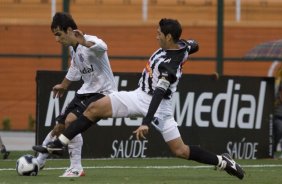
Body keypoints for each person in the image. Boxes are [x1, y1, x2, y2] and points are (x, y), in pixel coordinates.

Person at [36, 18, 245, 180]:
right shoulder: (181, 46)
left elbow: (158, 95)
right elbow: (193, 44)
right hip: (138, 95)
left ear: (169, 37)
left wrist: (146, 123)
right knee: (93, 108)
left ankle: (222, 161)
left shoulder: (168, 66)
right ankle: (59, 143)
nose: (157, 37)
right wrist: (192, 46)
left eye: (159, 34)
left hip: (159, 105)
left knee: (180, 150)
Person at [32, 12, 117, 177]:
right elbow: (75, 68)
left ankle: (76, 167)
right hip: (85, 91)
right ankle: (39, 161)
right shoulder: (73, 48)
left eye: (59, 34)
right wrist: (64, 85)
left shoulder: (90, 41)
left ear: (69, 30)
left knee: (71, 121)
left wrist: (85, 42)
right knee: (60, 126)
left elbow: (103, 47)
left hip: (103, 92)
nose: (57, 39)